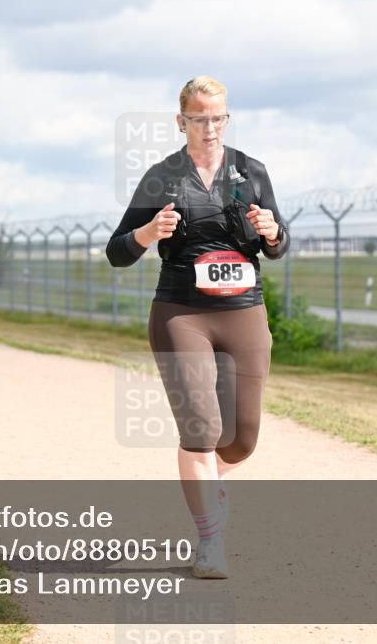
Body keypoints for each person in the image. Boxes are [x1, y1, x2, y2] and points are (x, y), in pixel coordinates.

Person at [106, 76, 289, 579]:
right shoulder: (162, 177)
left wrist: (274, 234)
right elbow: (117, 251)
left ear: (226, 119)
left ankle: (208, 485)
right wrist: (147, 232)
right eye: (198, 118)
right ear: (180, 120)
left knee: (241, 440)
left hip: (244, 309)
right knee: (202, 432)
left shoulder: (251, 171)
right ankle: (209, 540)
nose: (209, 128)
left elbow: (278, 242)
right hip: (181, 313)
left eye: (218, 118)